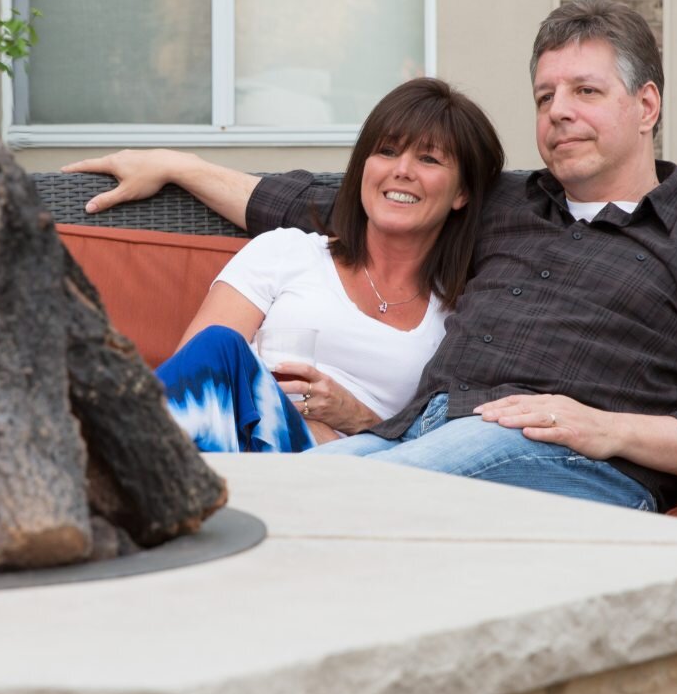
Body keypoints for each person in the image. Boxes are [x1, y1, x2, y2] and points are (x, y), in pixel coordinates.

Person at [66, 0, 677, 510]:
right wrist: (178, 164)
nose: (559, 111)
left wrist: (609, 428)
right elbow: (351, 198)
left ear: (647, 105)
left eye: (585, 90)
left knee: (322, 501)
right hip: (424, 434)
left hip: (580, 463)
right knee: (270, 495)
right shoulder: (506, 206)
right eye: (544, 96)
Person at [68, 78, 502, 454]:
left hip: (349, 474)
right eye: (386, 151)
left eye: (428, 159)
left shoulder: (462, 315)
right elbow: (198, 376)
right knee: (220, 346)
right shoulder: (286, 252)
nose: (401, 171)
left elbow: (439, 450)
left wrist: (352, 416)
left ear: (461, 193)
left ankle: (99, 463)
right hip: (232, 443)